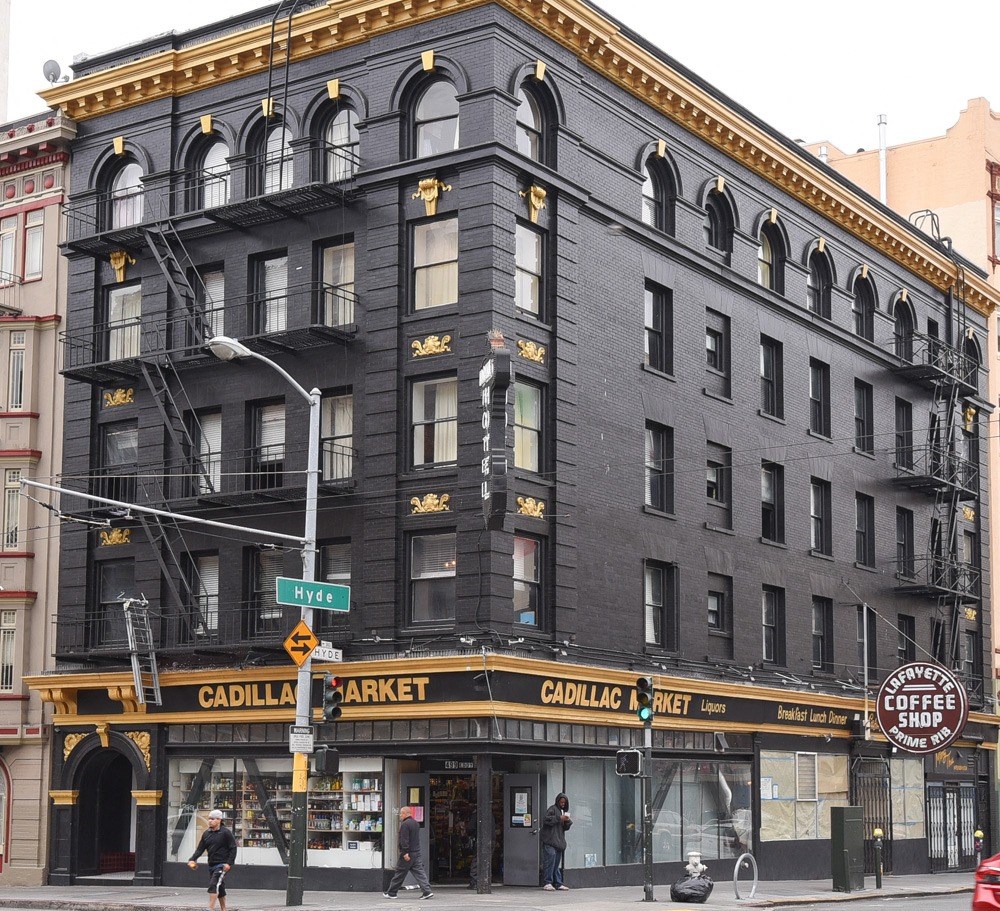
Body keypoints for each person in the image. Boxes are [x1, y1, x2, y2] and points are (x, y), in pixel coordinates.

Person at [187, 808, 237, 911]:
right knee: (220, 888)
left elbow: (233, 848)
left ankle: (210, 908)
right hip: (211, 864)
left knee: (213, 884)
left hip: (222, 864)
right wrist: (192, 859)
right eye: (209, 818)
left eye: (213, 819)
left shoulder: (226, 833)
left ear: (219, 820)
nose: (210, 821)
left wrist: (229, 863)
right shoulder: (206, 834)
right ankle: (224, 909)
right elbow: (200, 849)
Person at [384, 806, 434, 899]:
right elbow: (415, 839)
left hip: (408, 853)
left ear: (405, 813)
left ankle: (392, 893)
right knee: (419, 872)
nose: (400, 815)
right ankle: (427, 891)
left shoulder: (405, 824)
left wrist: (405, 852)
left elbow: (404, 840)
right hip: (416, 852)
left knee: (400, 873)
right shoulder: (416, 823)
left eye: (401, 813)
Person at [540, 792, 572, 891]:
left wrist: (567, 821)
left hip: (558, 841)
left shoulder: (562, 811)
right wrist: (559, 818)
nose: (563, 804)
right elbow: (546, 820)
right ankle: (548, 882)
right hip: (550, 841)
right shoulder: (552, 809)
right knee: (550, 861)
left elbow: (565, 828)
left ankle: (558, 883)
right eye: (561, 802)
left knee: (556, 863)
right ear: (558, 801)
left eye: (564, 803)